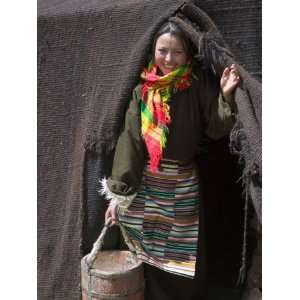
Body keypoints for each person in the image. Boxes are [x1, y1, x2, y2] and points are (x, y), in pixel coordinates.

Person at [100, 21, 240, 300]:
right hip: (146, 183)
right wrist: (119, 196)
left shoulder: (198, 85)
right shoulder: (143, 91)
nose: (168, 58)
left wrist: (225, 95)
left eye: (176, 52)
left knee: (180, 260)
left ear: (188, 54)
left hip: (182, 183)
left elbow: (215, 128)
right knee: (143, 253)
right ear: (153, 52)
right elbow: (132, 141)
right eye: (162, 51)